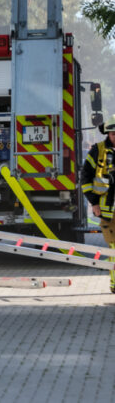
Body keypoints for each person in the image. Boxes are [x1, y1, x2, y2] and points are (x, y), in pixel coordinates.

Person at [81, 118, 115, 294]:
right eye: (113, 133)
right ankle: (114, 284)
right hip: (107, 211)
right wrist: (94, 203)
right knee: (113, 247)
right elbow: (85, 178)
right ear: (108, 133)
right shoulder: (97, 151)